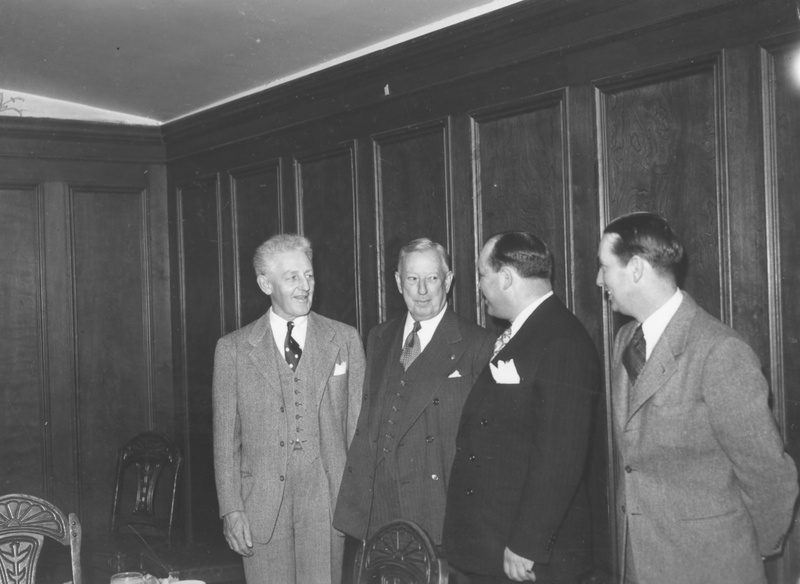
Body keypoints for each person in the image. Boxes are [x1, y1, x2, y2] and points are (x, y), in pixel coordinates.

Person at [596, 212, 798, 584]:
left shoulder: (719, 351)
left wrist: (743, 550)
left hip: (710, 567)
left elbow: (770, 475)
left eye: (604, 267)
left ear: (636, 268)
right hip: (638, 566)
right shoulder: (625, 340)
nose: (599, 280)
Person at [443, 231, 600, 584]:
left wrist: (527, 543)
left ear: (506, 277)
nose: (480, 286)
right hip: (496, 545)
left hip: (527, 557)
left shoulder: (561, 340)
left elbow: (560, 456)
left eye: (482, 275)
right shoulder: (529, 331)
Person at [212, 234, 366, 584]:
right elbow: (224, 442)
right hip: (262, 505)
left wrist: (356, 503)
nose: (304, 286)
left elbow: (358, 428)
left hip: (326, 501)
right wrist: (232, 508)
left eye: (309, 275)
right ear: (266, 283)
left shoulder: (345, 339)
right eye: (292, 277)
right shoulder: (234, 349)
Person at [333, 237, 495, 545]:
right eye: (412, 279)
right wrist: (352, 511)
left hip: (440, 512)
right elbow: (367, 426)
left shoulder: (478, 344)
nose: (422, 291)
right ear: (398, 281)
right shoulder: (379, 337)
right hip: (383, 512)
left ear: (447, 281)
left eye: (432, 278)